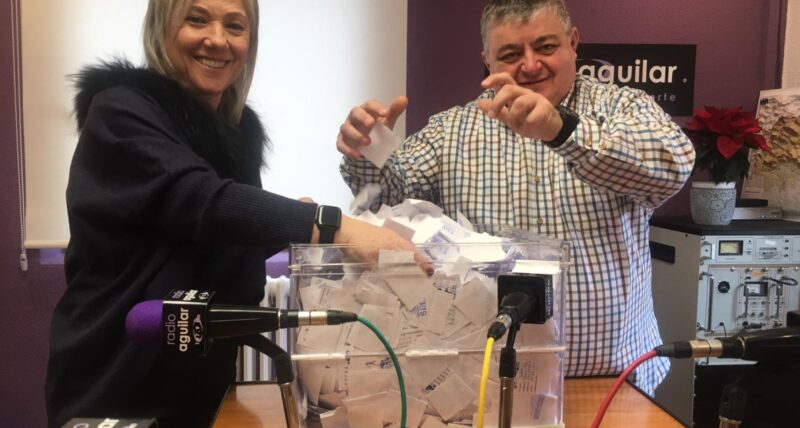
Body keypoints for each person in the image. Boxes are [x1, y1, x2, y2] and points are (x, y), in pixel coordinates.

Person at [45, 1, 423, 427]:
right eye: (197, 19)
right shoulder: (120, 112)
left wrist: (284, 228)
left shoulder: (236, 132)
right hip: (117, 374)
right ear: (161, 27)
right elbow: (199, 199)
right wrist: (332, 225)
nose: (217, 40)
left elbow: (212, 238)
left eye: (235, 26)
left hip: (201, 382)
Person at [337, 0, 695, 394]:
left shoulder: (622, 108)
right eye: (510, 55)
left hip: (614, 378)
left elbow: (673, 165)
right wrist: (368, 153)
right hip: (492, 383)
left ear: (573, 42)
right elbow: (388, 200)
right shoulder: (450, 131)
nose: (530, 65)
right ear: (487, 61)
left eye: (546, 47)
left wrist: (561, 130)